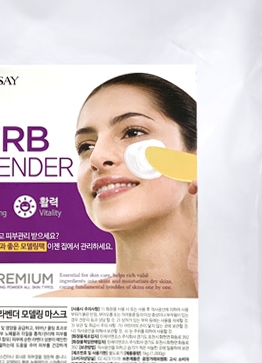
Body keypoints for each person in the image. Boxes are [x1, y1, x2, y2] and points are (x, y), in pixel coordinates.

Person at [41, 72, 197, 298]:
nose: (96, 158)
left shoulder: (243, 299)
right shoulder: (54, 310)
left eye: (133, 132)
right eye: (86, 146)